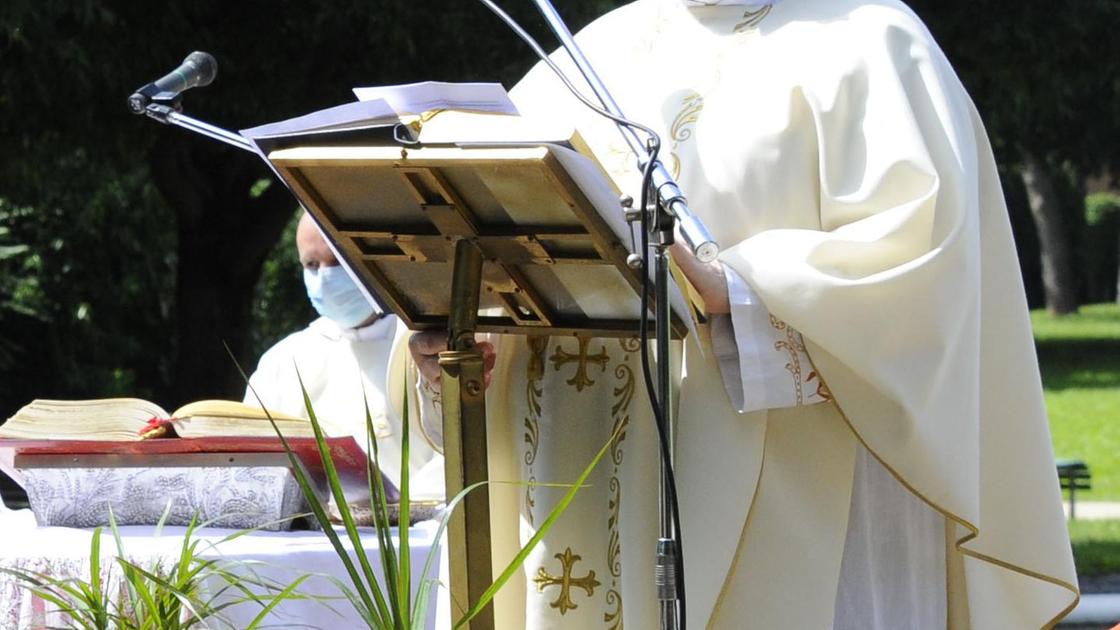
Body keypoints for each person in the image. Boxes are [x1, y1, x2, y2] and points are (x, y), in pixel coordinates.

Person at [409, 0, 1079, 627]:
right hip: (572, 480)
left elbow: (926, 273)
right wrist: (456, 340)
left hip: (802, 500)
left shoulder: (872, 43)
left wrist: (741, 285)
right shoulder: (581, 60)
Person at [245, 212, 444, 502]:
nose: (324, 276)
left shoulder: (425, 346)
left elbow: (459, 452)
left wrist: (408, 510)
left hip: (421, 533)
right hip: (316, 539)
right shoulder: (284, 362)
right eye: (311, 265)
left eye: (337, 261)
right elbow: (255, 464)